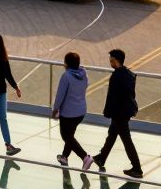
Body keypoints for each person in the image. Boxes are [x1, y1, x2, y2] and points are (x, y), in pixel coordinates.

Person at [86, 48, 143, 179]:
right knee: (112, 135)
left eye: (111, 60)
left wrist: (108, 112)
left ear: (117, 61)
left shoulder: (117, 76)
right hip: (125, 111)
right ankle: (102, 157)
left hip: (119, 113)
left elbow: (113, 97)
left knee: (126, 140)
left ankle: (137, 168)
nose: (110, 62)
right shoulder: (129, 74)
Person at [52, 51, 89, 167]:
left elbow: (60, 95)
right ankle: (64, 157)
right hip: (81, 112)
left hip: (68, 113)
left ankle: (85, 157)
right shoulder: (84, 74)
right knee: (70, 135)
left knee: (66, 136)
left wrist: (55, 109)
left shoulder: (66, 76)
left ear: (66, 64)